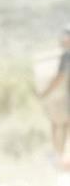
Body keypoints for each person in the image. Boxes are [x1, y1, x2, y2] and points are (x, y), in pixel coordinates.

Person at [39, 24, 70, 168]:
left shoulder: (67, 55)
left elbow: (59, 78)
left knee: (59, 124)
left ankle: (59, 157)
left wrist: (45, 92)